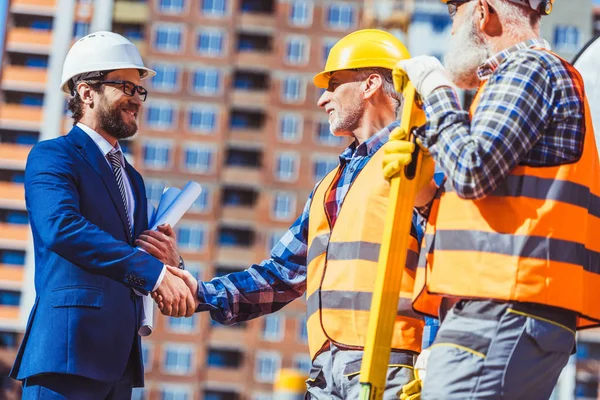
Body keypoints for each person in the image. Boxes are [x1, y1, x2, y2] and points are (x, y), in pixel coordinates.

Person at [149, 29, 434, 399]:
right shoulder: (329, 186)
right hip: (326, 373)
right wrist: (200, 292)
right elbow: (281, 275)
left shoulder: (416, 158)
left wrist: (436, 355)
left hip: (393, 364)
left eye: (333, 85)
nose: (322, 99)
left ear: (371, 84)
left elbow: (445, 261)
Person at [386, 0, 600, 398]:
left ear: (482, 12)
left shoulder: (529, 70)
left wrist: (438, 92)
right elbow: (494, 203)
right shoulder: (520, 80)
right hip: (502, 309)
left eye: (454, 13)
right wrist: (426, 196)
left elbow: (472, 170)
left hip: (502, 307)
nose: (452, 30)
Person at [10, 31, 195, 399]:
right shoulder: (54, 156)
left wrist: (169, 260)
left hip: (120, 362)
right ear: (86, 92)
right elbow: (62, 229)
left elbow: (134, 256)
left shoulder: (134, 179)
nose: (136, 99)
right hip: (67, 351)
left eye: (139, 89)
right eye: (125, 86)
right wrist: (155, 274)